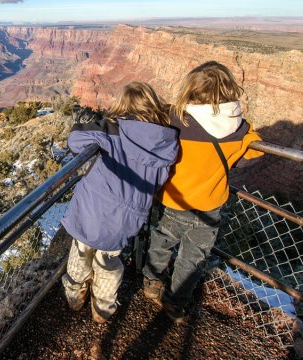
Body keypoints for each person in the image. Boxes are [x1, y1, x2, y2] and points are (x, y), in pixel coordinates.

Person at [142, 61, 264, 323]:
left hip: (175, 200)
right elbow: (254, 153)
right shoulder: (238, 129)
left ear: (190, 89)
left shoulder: (176, 120)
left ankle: (152, 281)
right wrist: (247, 131)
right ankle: (175, 303)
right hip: (210, 205)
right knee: (193, 258)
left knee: (162, 240)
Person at [61, 82, 178, 324]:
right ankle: (102, 310)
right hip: (127, 218)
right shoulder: (167, 143)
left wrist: (103, 123)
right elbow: (160, 180)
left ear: (122, 106)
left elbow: (75, 140)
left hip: (92, 209)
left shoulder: (113, 131)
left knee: (81, 252)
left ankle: (74, 297)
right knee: (110, 261)